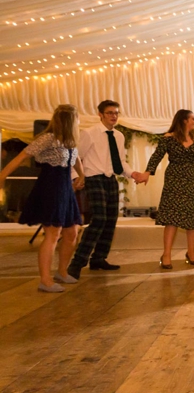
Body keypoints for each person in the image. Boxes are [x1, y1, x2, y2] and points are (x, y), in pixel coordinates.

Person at [0, 104, 85, 292]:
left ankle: (61, 271)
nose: (79, 121)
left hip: (65, 189)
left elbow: (76, 158)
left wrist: (82, 174)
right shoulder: (47, 138)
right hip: (51, 187)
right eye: (77, 118)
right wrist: (2, 175)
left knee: (72, 232)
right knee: (53, 233)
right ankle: (45, 280)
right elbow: (21, 156)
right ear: (70, 120)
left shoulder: (70, 140)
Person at [135, 110, 194, 268]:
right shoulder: (168, 139)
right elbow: (156, 156)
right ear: (184, 120)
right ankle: (167, 254)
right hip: (173, 180)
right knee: (172, 218)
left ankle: (191, 252)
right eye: (192, 119)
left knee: (192, 219)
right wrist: (147, 173)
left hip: (190, 180)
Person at [67, 100, 147, 280]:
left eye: (116, 113)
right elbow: (76, 157)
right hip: (93, 178)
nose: (114, 116)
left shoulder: (118, 135)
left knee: (110, 220)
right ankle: (77, 263)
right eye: (110, 113)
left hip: (110, 179)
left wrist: (132, 173)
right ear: (100, 114)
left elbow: (120, 161)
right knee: (99, 219)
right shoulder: (89, 133)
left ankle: (99, 259)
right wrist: (75, 177)